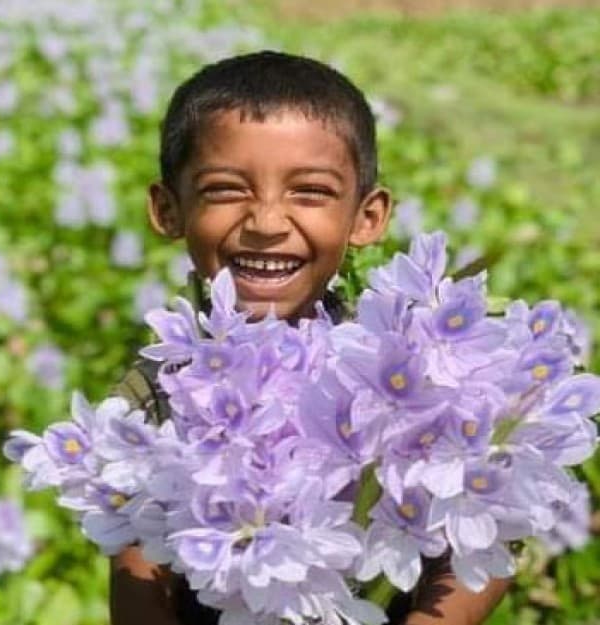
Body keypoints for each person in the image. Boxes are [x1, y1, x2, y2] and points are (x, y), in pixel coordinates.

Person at [109, 50, 511, 625]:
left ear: (367, 216)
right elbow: (136, 555)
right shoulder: (162, 381)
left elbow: (493, 539)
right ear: (168, 209)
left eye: (311, 192)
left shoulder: (408, 364)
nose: (267, 223)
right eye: (225, 190)